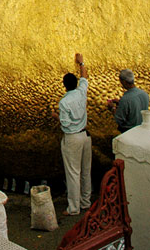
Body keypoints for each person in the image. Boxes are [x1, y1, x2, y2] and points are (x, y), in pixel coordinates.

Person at [52, 52, 92, 216]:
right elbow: (85, 78)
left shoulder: (64, 102)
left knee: (73, 173)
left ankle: (74, 208)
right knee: (85, 170)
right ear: (75, 84)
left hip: (73, 138)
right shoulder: (81, 92)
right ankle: (85, 202)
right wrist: (81, 63)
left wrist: (55, 116)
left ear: (64, 85)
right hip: (85, 136)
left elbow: (65, 123)